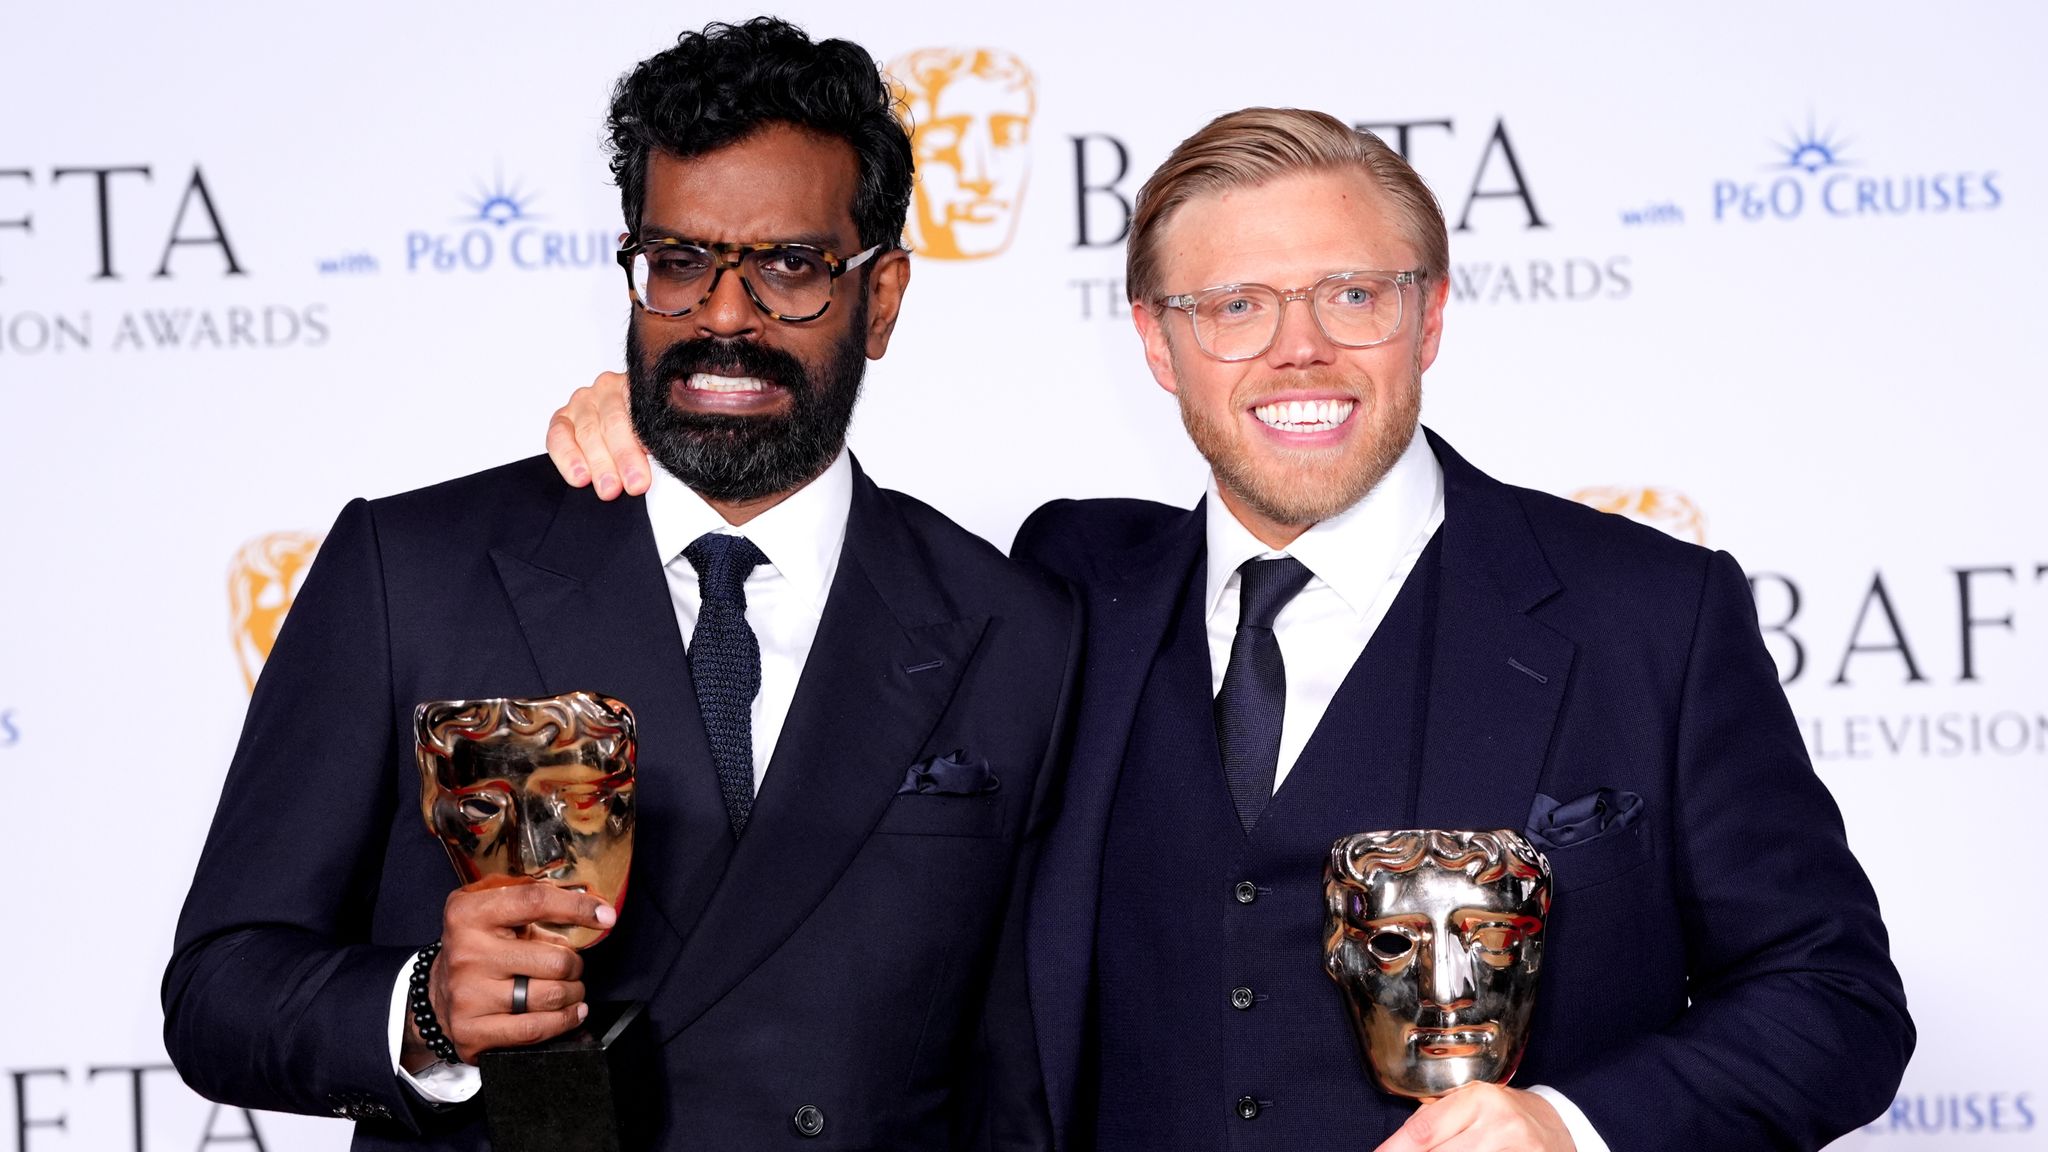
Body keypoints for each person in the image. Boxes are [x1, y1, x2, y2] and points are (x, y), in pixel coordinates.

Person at [547, 106, 1914, 1151]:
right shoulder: (1070, 586)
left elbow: (1835, 1002)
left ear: (1428, 316)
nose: (1299, 351)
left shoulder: (1648, 616)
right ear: (1157, 343)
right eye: (1234, 307)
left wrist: (1570, 1123)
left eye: (1352, 295)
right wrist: (688, 429)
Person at [164, 18, 1076, 1150]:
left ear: (880, 296)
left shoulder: (1012, 630)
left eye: (789, 268)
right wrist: (424, 1015)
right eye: (678, 261)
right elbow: (218, 991)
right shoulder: (413, 572)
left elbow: (1023, 1088)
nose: (723, 317)